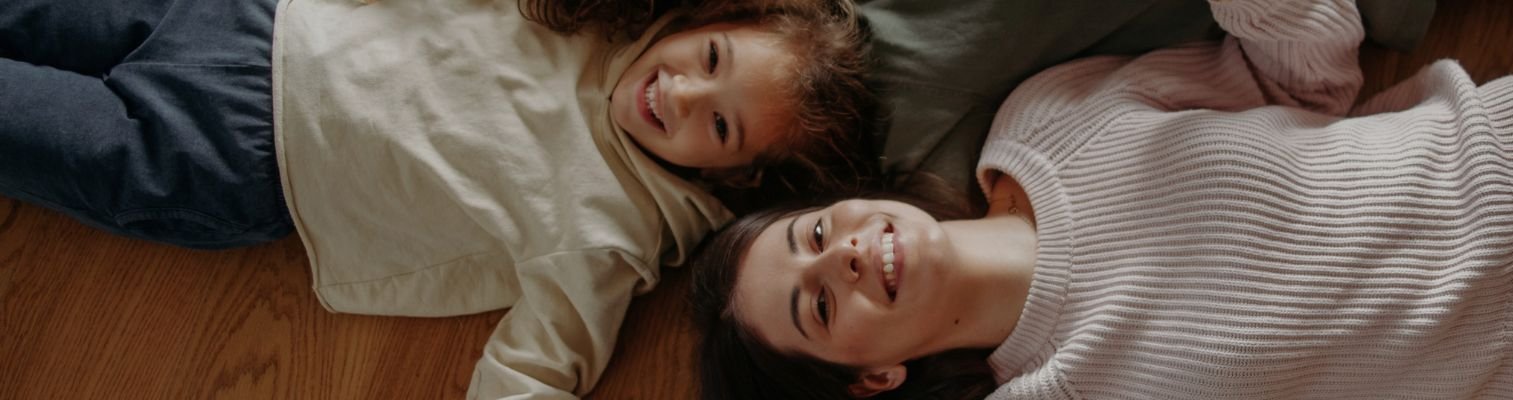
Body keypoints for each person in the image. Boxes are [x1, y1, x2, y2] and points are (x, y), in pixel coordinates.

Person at [688, 0, 1513, 398]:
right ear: (869, 379)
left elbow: (1308, 70)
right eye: (817, 307)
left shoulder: (1045, 120)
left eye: (814, 234)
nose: (842, 257)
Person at [1, 0, 874, 397]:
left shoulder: (612, 234)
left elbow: (535, 370)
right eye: (711, 59)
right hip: (242, 18)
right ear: (703, 20)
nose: (680, 94)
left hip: (225, 164)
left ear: (732, 175)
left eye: (719, 126)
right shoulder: (578, 15)